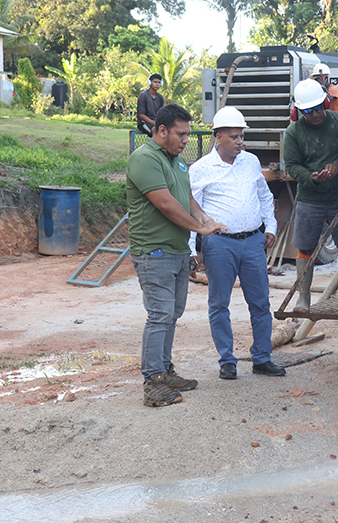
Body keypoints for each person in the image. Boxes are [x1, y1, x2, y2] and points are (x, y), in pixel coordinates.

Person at [127, 103, 225, 407]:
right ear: (161, 131)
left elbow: (187, 197)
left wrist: (205, 220)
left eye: (187, 134)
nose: (185, 140)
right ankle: (153, 381)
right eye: (180, 134)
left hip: (177, 251)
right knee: (159, 316)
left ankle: (165, 371)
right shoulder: (144, 159)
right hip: (153, 253)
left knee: (171, 315)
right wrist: (200, 228)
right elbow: (166, 204)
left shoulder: (177, 161)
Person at [189, 106, 285, 380]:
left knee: (260, 302)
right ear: (217, 137)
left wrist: (271, 226)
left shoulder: (251, 162)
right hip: (219, 245)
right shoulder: (201, 169)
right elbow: (191, 208)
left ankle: (262, 358)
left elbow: (265, 196)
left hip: (253, 241)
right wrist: (192, 248)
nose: (240, 141)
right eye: (234, 136)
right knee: (219, 303)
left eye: (241, 136)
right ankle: (227, 360)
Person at [283, 79, 338, 312]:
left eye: (318, 108)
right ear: (299, 111)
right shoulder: (294, 132)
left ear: (326, 102)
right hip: (310, 197)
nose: (314, 114)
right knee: (305, 247)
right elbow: (292, 165)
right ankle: (303, 299)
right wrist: (311, 177)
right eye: (307, 111)